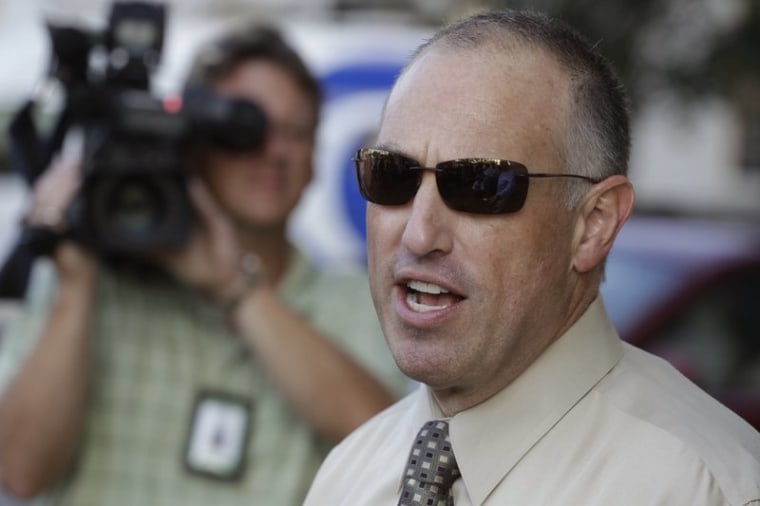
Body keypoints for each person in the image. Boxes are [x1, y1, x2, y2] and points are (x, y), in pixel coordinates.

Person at [304, 9, 760, 505]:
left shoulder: (703, 489)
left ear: (594, 223)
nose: (418, 234)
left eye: (479, 185)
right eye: (391, 175)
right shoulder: (349, 474)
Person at [0, 23, 408, 505]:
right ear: (191, 141)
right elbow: (19, 472)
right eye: (244, 128)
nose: (273, 151)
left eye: (296, 133)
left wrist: (236, 289)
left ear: (315, 159)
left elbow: (389, 456)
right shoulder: (89, 276)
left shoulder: (361, 301)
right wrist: (75, 282)